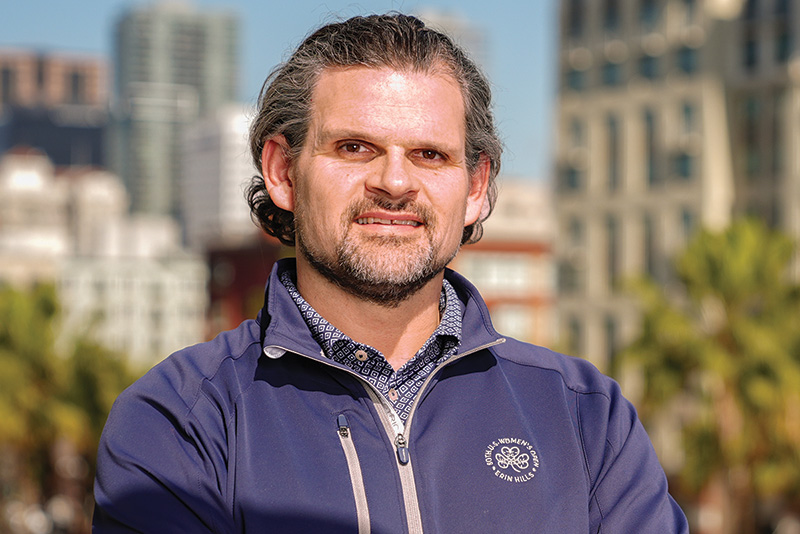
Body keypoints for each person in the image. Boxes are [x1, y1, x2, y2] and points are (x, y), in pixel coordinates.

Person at [93, 13, 689, 533]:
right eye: (355, 148)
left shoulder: (585, 415)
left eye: (430, 155)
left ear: (476, 188)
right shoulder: (183, 421)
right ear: (282, 172)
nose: (395, 183)